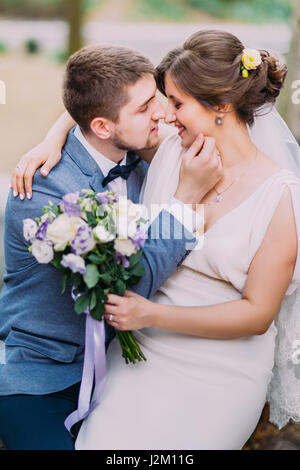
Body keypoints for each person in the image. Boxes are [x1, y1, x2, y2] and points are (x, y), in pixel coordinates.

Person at [74, 30, 300, 449]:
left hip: (222, 372)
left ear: (221, 105)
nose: (166, 115)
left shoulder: (281, 195)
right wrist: (50, 144)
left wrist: (151, 315)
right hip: (141, 356)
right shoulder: (172, 152)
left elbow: (257, 314)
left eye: (176, 103)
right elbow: (102, 110)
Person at [0, 44, 221, 450]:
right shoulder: (43, 190)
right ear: (101, 126)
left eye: (155, 97)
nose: (160, 112)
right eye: (144, 108)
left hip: (123, 368)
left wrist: (58, 127)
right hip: (39, 378)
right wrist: (186, 198)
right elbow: (128, 290)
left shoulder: (139, 146)